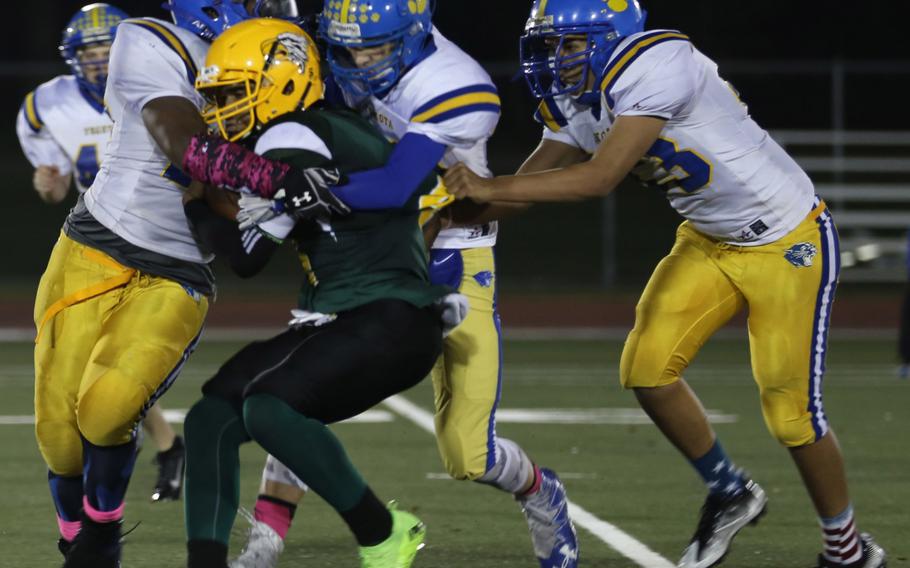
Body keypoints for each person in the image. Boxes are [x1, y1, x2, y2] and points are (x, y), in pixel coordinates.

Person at [443, 1, 888, 567]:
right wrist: (448, 210)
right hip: (708, 239)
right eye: (552, 46)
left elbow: (599, 177)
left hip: (785, 238)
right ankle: (730, 492)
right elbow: (525, 188)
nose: (558, 59)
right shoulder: (579, 96)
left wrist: (490, 187)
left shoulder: (658, 61)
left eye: (571, 45)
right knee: (647, 371)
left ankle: (847, 548)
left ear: (610, 38)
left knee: (792, 414)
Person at [224, 3, 579, 568]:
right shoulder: (339, 56)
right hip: (370, 260)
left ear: (411, 39)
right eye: (346, 50)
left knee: (469, 454)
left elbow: (395, 186)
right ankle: (266, 539)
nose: (359, 63)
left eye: (375, 49)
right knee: (294, 399)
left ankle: (539, 489)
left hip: (451, 256)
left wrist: (291, 187)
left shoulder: (455, 84)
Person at [179, 18, 462, 568]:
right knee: (211, 417)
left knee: (269, 407)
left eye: (234, 92)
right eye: (216, 97)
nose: (221, 109)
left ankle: (383, 533)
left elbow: (246, 257)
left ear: (281, 80)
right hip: (347, 316)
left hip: (388, 315)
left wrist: (193, 201)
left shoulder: (291, 135)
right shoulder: (324, 128)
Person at [31, 1, 298, 565]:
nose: (270, 8)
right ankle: (75, 531)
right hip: (94, 245)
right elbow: (177, 137)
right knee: (58, 427)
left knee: (107, 409)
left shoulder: (283, 60)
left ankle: (102, 532)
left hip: (177, 267)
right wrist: (273, 177)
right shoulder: (148, 39)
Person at [16, 4, 189, 505]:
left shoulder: (159, 84)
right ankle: (166, 446)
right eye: (88, 52)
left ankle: (156, 446)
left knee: (113, 364)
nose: (97, 62)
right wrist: (47, 184)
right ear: (72, 59)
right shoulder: (49, 104)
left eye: (106, 50)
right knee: (89, 362)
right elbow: (54, 185)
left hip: (162, 241)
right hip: (98, 241)